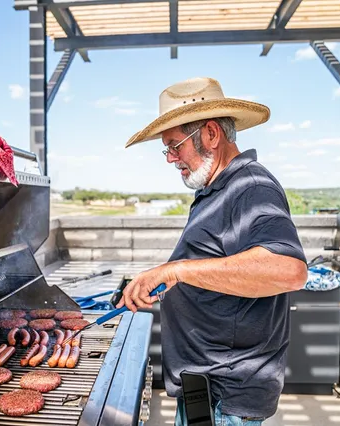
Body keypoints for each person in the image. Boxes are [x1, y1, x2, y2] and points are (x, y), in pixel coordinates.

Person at [116, 77, 308, 426]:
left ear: (210, 134)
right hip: (206, 385)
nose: (171, 159)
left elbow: (289, 270)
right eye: (167, 149)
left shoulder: (250, 186)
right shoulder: (215, 189)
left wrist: (176, 271)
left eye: (175, 145)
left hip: (228, 395)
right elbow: (216, 263)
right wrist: (165, 277)